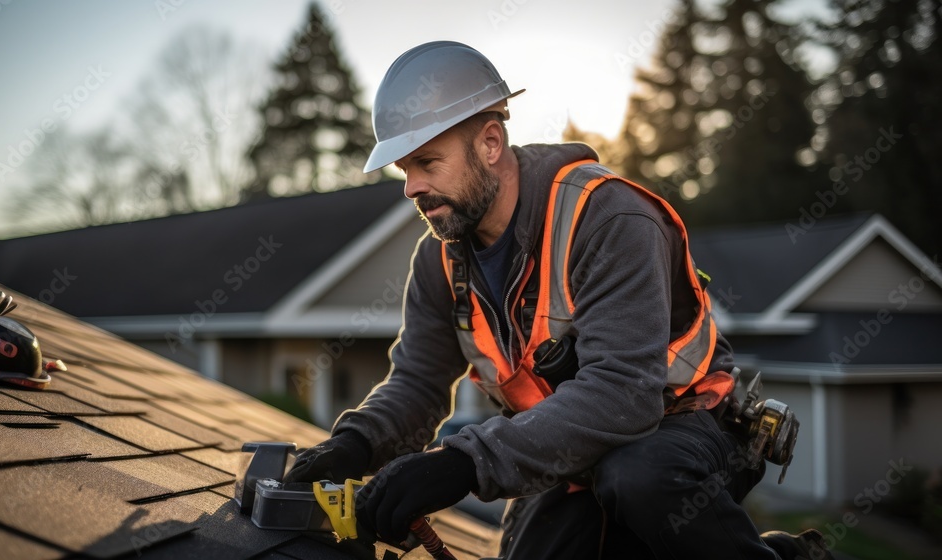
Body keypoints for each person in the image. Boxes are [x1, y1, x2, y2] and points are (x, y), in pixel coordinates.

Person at [284, 41, 828, 559]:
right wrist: (357, 443)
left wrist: (459, 464)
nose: (411, 188)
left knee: (638, 481)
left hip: (688, 423)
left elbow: (622, 394)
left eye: (428, 162)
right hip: (572, 447)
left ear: (490, 144)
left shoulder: (610, 219)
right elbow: (419, 381)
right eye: (405, 170)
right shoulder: (439, 261)